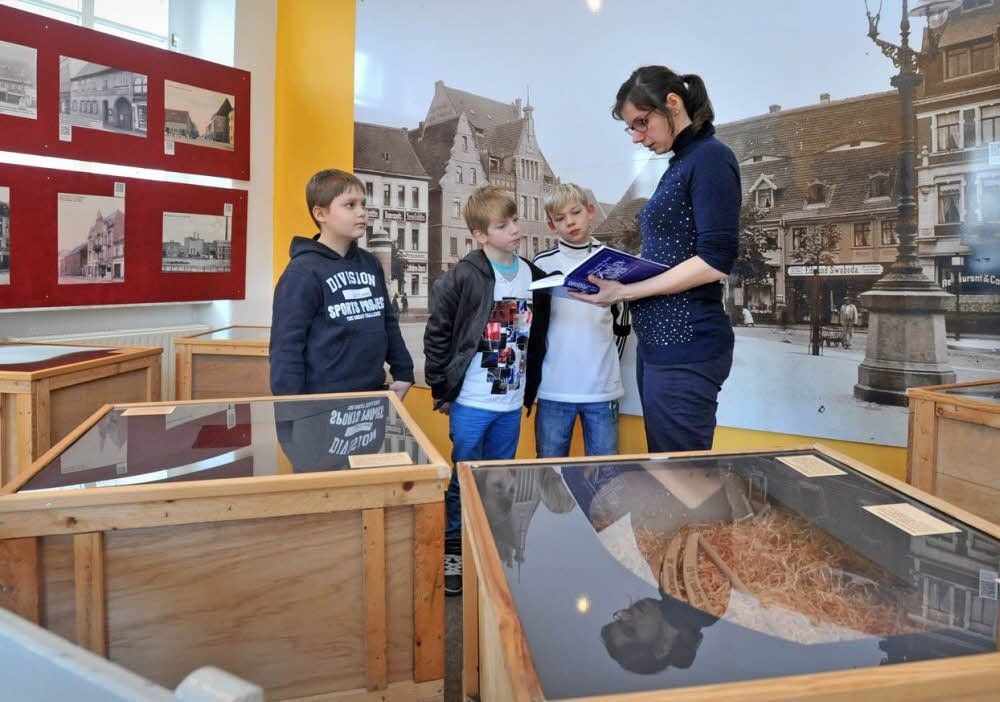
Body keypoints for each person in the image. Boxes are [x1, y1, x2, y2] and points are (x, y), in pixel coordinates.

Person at [570, 66, 740, 453]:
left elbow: (715, 260)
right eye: (631, 128)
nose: (636, 137)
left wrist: (626, 290)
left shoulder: (711, 158)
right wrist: (623, 272)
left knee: (683, 479)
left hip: (686, 344)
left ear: (673, 104)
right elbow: (674, 251)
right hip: (663, 345)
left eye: (642, 123)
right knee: (669, 473)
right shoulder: (682, 162)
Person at [423, 185, 550, 596]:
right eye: (503, 225)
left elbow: (540, 337)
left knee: (500, 479)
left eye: (514, 221)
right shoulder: (463, 276)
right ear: (480, 235)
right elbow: (438, 335)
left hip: (511, 403)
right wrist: (442, 388)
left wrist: (528, 392)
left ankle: (494, 549)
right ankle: (455, 550)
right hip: (472, 400)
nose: (514, 229)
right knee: (464, 479)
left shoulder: (533, 274)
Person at [270, 168, 414, 400]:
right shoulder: (302, 272)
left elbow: (387, 321)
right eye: (350, 205)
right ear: (320, 213)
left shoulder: (371, 264)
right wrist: (292, 414)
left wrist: (404, 370)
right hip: (322, 403)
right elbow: (286, 349)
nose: (362, 213)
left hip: (371, 396)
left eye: (363, 205)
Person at [530, 183, 631, 458]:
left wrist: (607, 368)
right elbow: (534, 327)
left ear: (590, 211)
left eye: (575, 212)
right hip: (554, 389)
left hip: (602, 391)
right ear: (551, 226)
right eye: (560, 219)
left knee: (606, 481)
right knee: (549, 475)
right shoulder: (541, 263)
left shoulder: (613, 262)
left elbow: (622, 326)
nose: (570, 222)